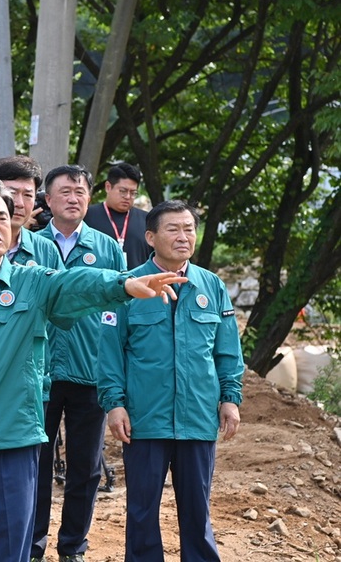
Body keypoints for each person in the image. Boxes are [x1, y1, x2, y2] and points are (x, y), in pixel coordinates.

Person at [0, 178, 183, 561]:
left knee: (9, 553)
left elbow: (77, 284)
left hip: (10, 447)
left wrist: (124, 284)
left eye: (1, 217)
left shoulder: (32, 282)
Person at [97, 200, 243, 562]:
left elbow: (227, 350)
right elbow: (110, 352)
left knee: (197, 510)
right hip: (145, 419)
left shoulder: (212, 285)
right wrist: (114, 403)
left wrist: (230, 397)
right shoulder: (129, 287)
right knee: (142, 511)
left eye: (189, 228)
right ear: (150, 237)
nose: (184, 237)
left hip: (197, 418)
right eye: (173, 229)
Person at [33, 165, 127, 562]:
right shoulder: (32, 245)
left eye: (81, 192)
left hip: (90, 373)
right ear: (48, 200)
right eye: (65, 191)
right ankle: (32, 545)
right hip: (39, 373)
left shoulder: (107, 248)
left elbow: (121, 312)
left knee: (86, 468)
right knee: (34, 465)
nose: (74, 198)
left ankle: (73, 546)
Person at [84, 162, 153, 268]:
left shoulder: (148, 220)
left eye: (133, 193)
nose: (128, 196)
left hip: (138, 282)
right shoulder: (87, 216)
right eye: (123, 191)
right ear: (108, 187)